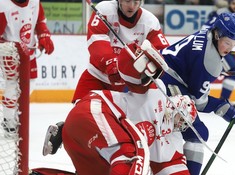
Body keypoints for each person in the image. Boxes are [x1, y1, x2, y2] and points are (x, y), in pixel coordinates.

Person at [28, 44, 224, 175]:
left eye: (184, 124)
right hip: (91, 112)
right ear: (174, 103)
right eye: (181, 118)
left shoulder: (170, 138)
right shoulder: (156, 94)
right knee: (130, 150)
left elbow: (171, 170)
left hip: (90, 142)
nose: (180, 124)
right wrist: (139, 62)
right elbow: (136, 78)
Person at [43, 0, 169, 156]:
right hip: (97, 76)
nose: (131, 6)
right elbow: (96, 40)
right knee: (81, 116)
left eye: (136, 1)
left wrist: (145, 68)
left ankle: (139, 158)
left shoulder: (150, 22)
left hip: (126, 85)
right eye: (128, 1)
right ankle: (63, 131)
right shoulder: (105, 10)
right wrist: (110, 63)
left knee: (127, 126)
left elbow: (161, 53)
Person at [159, 12, 235, 175]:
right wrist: (225, 108)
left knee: (169, 130)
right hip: (164, 83)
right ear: (217, 34)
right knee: (197, 132)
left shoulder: (213, 31)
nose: (229, 49)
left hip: (160, 73)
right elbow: (199, 103)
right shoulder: (208, 61)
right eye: (227, 43)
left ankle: (164, 171)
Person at [0, 0, 54, 135]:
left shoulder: (35, 2)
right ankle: (8, 120)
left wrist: (44, 35)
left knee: (31, 83)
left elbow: (40, 21)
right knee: (12, 84)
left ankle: (15, 113)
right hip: (10, 51)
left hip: (29, 51)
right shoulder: (4, 5)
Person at [205, 0, 235, 100]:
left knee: (233, 73)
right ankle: (223, 100)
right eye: (233, 3)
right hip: (216, 48)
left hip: (228, 49)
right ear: (229, 4)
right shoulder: (220, 14)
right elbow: (207, 28)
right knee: (233, 72)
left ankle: (224, 100)